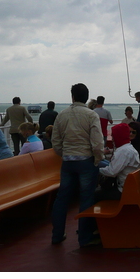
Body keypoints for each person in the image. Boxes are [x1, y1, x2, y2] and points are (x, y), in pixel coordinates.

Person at [50, 83, 104, 247]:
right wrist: (97, 159)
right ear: (87, 97)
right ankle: (84, 238)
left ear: (72, 96)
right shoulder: (91, 115)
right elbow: (97, 142)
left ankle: (57, 235)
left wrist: (64, 153)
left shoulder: (62, 115)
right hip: (86, 161)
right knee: (86, 198)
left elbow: (56, 141)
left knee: (62, 199)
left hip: (68, 161)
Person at [95, 123, 140, 203]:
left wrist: (96, 170)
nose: (112, 139)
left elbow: (112, 172)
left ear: (118, 136)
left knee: (93, 194)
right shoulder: (129, 148)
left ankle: (90, 215)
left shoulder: (123, 151)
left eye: (113, 136)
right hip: (129, 186)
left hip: (123, 190)